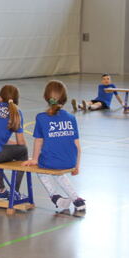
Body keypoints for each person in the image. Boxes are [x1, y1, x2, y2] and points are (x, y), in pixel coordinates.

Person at [24, 80, 85, 211]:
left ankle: (54, 196)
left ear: (46, 97)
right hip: (70, 162)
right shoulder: (71, 118)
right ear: (65, 99)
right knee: (58, 170)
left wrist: (34, 159)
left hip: (51, 162)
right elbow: (78, 146)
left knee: (41, 169)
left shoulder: (41, 117)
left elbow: (38, 141)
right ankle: (77, 200)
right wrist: (76, 166)